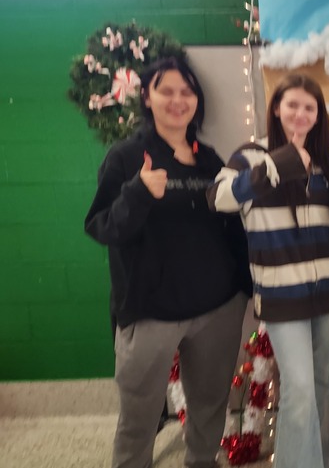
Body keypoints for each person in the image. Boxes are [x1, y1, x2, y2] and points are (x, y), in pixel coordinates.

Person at [85, 56, 251, 468]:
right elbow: (102, 227)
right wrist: (138, 192)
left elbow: (230, 227)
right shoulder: (126, 157)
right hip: (150, 313)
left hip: (217, 308)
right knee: (139, 414)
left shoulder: (209, 159)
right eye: (167, 91)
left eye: (186, 92)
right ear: (147, 97)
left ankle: (201, 461)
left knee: (210, 403)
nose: (178, 100)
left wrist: (245, 286)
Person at [208, 73, 329, 468]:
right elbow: (218, 197)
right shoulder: (250, 156)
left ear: (318, 115)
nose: (300, 114)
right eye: (292, 105)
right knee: (300, 389)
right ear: (276, 108)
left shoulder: (326, 162)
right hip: (280, 294)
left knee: (321, 383)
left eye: (310, 107)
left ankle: (324, 458)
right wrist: (276, 165)